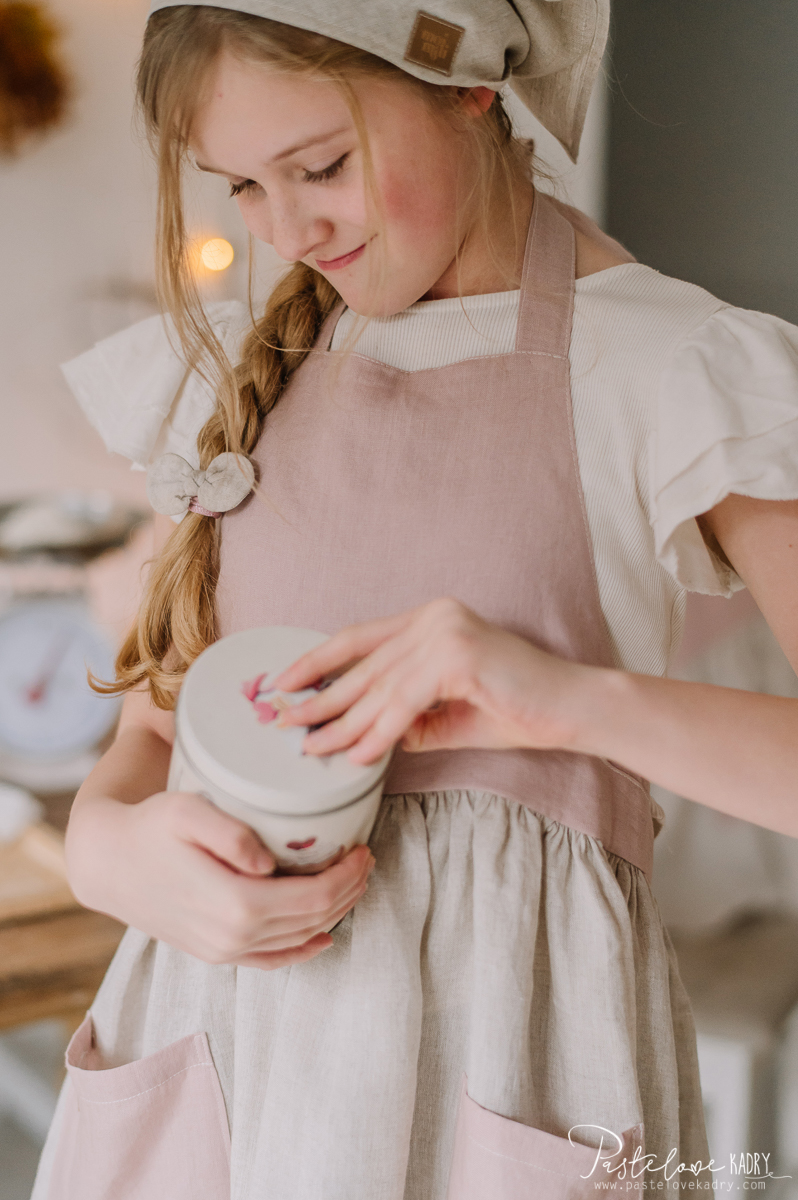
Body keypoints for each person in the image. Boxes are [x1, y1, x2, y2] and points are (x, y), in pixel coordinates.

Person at [32, 2, 798, 1197]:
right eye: (240, 185)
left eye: (321, 166)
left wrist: (558, 702)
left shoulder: (671, 366)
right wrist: (110, 853)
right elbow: (152, 732)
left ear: (471, 89)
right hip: (212, 1072)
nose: (286, 226)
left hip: (510, 1081)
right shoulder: (243, 372)